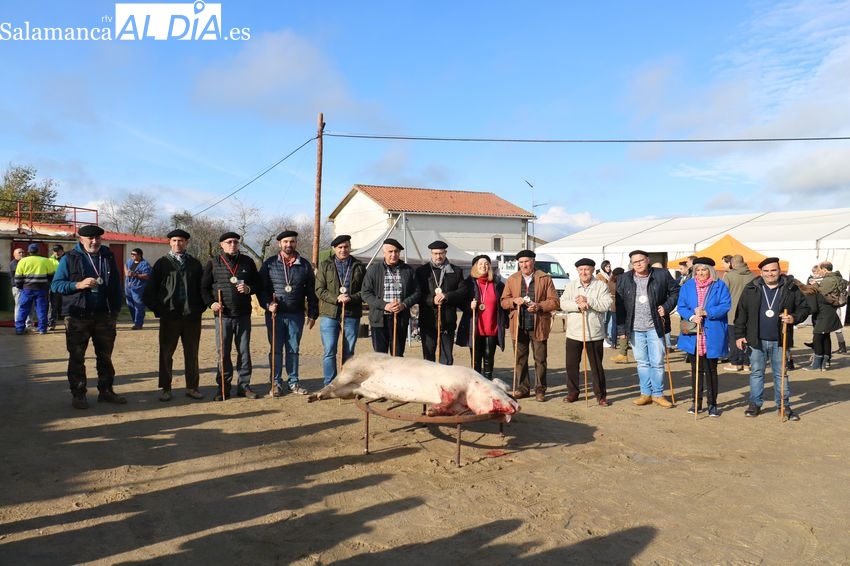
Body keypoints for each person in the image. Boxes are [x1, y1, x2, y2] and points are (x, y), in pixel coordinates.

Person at [51, 225, 126, 409]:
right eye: (90, 238)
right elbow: (56, 285)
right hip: (78, 316)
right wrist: (77, 284)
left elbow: (116, 283)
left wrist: (116, 309)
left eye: (98, 238)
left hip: (104, 315)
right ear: (81, 239)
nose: (95, 241)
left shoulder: (107, 255)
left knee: (105, 356)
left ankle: (106, 391)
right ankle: (79, 394)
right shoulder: (69, 258)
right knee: (77, 357)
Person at [733, 257, 809, 420]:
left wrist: (794, 318)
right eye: (766, 271)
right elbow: (741, 313)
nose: (770, 274)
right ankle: (754, 404)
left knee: (781, 374)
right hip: (756, 339)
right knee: (756, 373)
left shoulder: (790, 288)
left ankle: (783, 405)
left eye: (773, 270)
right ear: (761, 273)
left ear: (779, 270)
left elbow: (804, 308)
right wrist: (739, 335)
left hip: (780, 339)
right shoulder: (751, 288)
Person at [142, 229, 206, 401]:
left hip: (191, 317)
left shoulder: (195, 264)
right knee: (166, 353)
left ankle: (192, 387)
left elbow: (203, 289)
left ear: (187, 243)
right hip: (169, 317)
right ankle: (166, 388)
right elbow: (149, 292)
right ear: (169, 242)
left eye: (181, 241)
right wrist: (160, 310)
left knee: (192, 353)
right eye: (175, 240)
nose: (178, 244)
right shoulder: (162, 264)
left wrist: (200, 308)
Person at [615, 250, 679, 408]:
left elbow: (676, 291)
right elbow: (620, 306)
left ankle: (658, 394)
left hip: (655, 326)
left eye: (641, 260)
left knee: (657, 362)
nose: (638, 264)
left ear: (648, 260)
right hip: (635, 328)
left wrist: (667, 306)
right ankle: (645, 393)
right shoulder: (624, 279)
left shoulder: (662, 274)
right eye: (634, 262)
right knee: (642, 363)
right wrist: (622, 330)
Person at [201, 232, 261, 400]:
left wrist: (249, 289)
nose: (233, 244)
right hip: (223, 316)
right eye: (229, 242)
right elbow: (203, 288)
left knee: (244, 352)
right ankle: (223, 388)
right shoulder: (213, 263)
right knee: (223, 353)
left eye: (236, 242)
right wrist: (211, 303)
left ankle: (244, 386)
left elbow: (258, 284)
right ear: (221, 244)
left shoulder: (247, 262)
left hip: (243, 315)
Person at [258, 230, 318, 396]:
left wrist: (313, 313)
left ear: (295, 243)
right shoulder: (269, 264)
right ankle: (276, 383)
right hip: (275, 315)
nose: (288, 245)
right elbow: (261, 289)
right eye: (285, 242)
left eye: (291, 241)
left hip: (296, 315)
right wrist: (268, 304)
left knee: (293, 349)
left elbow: (311, 292)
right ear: (279, 244)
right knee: (276, 350)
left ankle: (293, 382)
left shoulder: (305, 265)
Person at [500, 249, 559, 401]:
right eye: (521, 262)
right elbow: (503, 301)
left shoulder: (545, 278)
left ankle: (540, 389)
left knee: (540, 359)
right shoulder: (512, 279)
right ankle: (523, 388)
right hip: (518, 325)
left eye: (526, 261)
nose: (524, 265)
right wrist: (514, 301)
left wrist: (539, 306)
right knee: (520, 359)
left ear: (533, 261)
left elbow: (554, 301)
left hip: (538, 324)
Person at [676, 257, 732, 417]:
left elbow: (725, 305)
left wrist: (708, 312)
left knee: (711, 370)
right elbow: (681, 306)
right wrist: (693, 316)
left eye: (704, 269)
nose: (700, 273)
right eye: (698, 270)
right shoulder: (687, 286)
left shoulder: (719, 285)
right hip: (694, 334)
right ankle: (696, 402)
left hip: (712, 333)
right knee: (695, 369)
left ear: (710, 271)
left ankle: (712, 404)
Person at [560, 258, 613, 406]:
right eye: (581, 270)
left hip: (594, 333)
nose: (584, 272)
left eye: (587, 269)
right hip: (573, 332)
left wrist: (588, 301)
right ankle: (573, 392)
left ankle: (601, 395)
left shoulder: (601, 286)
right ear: (577, 271)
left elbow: (606, 304)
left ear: (592, 270)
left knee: (596, 366)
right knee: (571, 365)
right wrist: (578, 305)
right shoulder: (571, 286)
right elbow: (562, 303)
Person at [315, 235, 365, 387]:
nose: (343, 250)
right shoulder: (325, 265)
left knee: (348, 351)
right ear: (334, 249)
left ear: (350, 246)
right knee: (329, 351)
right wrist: (336, 298)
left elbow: (365, 290)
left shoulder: (359, 266)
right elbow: (319, 289)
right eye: (340, 247)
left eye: (346, 246)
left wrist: (351, 297)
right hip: (330, 314)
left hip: (351, 314)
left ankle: (346, 382)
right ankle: (330, 383)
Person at [361, 238, 421, 357]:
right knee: (380, 357)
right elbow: (366, 293)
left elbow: (417, 292)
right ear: (384, 252)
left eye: (396, 251)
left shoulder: (408, 270)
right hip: (379, 319)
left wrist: (404, 304)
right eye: (390, 251)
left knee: (397, 355)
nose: (394, 254)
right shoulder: (374, 270)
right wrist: (385, 305)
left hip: (400, 319)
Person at [456, 254, 507, 379]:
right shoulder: (468, 284)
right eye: (480, 264)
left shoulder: (498, 284)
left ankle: (488, 380)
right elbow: (459, 301)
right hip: (475, 325)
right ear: (475, 267)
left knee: (489, 355)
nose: (483, 266)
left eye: (486, 264)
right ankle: (477, 381)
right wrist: (469, 305)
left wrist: (505, 322)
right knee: (476, 357)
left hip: (492, 326)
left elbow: (504, 303)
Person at [415, 240, 465, 365]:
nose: (438, 256)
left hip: (448, 320)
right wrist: (432, 300)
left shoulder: (456, 271)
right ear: (431, 254)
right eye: (435, 253)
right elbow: (417, 294)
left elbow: (462, 291)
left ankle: (445, 384)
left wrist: (447, 296)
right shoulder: (422, 271)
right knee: (428, 357)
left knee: (446, 358)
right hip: (428, 319)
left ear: (445, 253)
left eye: (441, 253)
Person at [797, 280, 841, 371]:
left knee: (817, 339)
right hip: (828, 316)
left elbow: (814, 309)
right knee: (824, 338)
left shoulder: (809, 294)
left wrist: (802, 312)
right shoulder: (814, 291)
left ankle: (817, 365)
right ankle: (824, 364)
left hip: (824, 318)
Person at [722, 255, 755, 372]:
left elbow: (723, 293)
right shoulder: (753, 276)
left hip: (732, 312)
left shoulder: (729, 276)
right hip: (750, 312)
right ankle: (747, 363)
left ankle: (736, 363)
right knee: (749, 337)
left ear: (732, 263)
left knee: (733, 338)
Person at [14, 243, 56, 335]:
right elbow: (51, 276)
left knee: (23, 309)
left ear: (28, 251)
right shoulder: (46, 261)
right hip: (42, 290)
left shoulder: (22, 261)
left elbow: (18, 278)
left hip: (27, 289)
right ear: (38, 251)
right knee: (41, 310)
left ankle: (19, 329)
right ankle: (42, 329)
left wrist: (20, 287)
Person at [816, 261, 847, 357]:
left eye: (820, 269)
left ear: (824, 269)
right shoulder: (838, 277)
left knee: (827, 330)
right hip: (837, 305)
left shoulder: (829, 280)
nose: (819, 271)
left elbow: (821, 292)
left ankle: (839, 348)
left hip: (831, 306)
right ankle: (842, 347)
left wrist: (815, 285)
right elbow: (846, 283)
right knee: (836, 328)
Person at [124, 247, 151, 330]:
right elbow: (125, 265)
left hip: (138, 288)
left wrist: (135, 275)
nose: (132, 256)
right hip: (128, 287)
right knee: (130, 304)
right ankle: (135, 322)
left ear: (139, 255)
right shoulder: (130, 261)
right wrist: (126, 272)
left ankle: (138, 324)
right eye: (131, 254)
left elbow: (147, 276)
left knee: (139, 306)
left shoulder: (145, 264)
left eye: (134, 254)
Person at [9, 247, 33, 330]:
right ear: (14, 254)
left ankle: (29, 325)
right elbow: (22, 272)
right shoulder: (13, 263)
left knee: (29, 306)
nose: (22, 254)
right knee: (19, 306)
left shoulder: (24, 262)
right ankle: (18, 325)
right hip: (18, 288)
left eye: (23, 252)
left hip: (27, 287)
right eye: (19, 252)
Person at [47, 244, 65, 330]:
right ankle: (51, 323)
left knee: (66, 304)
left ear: (62, 251)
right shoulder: (49, 260)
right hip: (54, 285)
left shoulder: (67, 259)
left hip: (65, 284)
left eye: (58, 250)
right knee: (53, 305)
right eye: (54, 251)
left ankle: (67, 322)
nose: (56, 252)